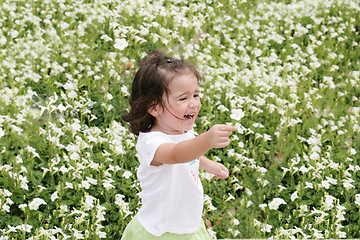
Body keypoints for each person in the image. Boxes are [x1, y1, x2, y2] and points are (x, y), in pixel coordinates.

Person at [121, 49, 237, 239]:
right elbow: (176, 154)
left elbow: (190, 155)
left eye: (196, 95)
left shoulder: (184, 131)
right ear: (154, 108)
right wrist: (206, 140)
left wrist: (208, 164)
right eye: (183, 98)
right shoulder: (152, 142)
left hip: (188, 222)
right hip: (161, 230)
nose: (193, 104)